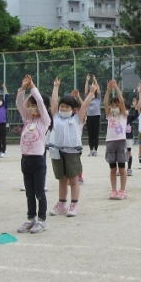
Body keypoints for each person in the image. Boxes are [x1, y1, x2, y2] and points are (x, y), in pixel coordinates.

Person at [49, 78, 93, 216]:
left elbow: (85, 105)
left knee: (73, 179)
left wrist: (91, 92)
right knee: (62, 180)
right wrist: (56, 87)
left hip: (72, 152)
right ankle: (61, 203)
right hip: (57, 151)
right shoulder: (55, 116)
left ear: (73, 109)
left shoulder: (76, 119)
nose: (63, 109)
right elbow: (54, 102)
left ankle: (74, 204)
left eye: (66, 107)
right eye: (62, 106)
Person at [16, 75, 51, 234]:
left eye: (34, 106)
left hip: (38, 160)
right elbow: (19, 104)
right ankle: (31, 218)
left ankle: (42, 220)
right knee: (29, 193)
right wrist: (23, 89)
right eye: (30, 105)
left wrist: (33, 87)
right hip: (25, 159)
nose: (32, 109)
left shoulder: (44, 121)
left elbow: (41, 104)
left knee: (39, 192)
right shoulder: (27, 119)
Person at [103, 79, 129, 199]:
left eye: (116, 105)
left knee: (122, 168)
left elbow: (122, 102)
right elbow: (104, 103)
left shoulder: (123, 115)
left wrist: (116, 88)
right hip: (110, 142)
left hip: (121, 142)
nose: (114, 107)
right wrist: (108, 90)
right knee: (113, 169)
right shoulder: (109, 115)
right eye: (112, 105)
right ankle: (113, 190)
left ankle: (122, 190)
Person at [84, 74, 102, 156]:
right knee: (90, 135)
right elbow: (85, 90)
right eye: (91, 87)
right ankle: (91, 150)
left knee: (96, 134)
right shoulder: (87, 97)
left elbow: (98, 89)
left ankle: (95, 150)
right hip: (89, 117)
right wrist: (87, 80)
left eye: (93, 87)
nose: (92, 88)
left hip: (96, 117)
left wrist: (95, 80)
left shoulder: (98, 98)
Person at [125, 97, 139, 176]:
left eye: (127, 109)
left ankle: (129, 168)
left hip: (129, 137)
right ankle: (121, 169)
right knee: (120, 153)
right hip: (121, 137)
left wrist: (135, 106)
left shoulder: (129, 117)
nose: (126, 110)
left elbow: (136, 115)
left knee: (128, 152)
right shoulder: (119, 116)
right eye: (124, 108)